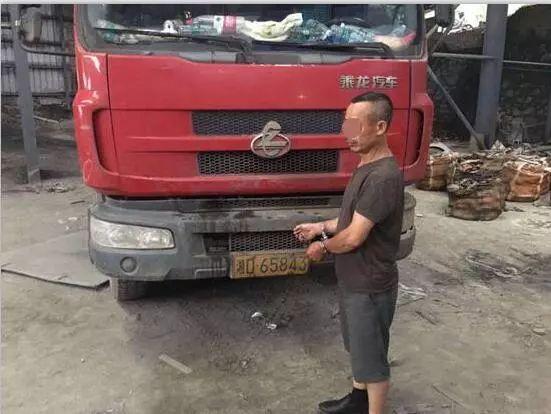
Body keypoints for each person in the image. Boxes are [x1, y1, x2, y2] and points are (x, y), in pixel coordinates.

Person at [294, 92, 403, 414]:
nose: (348, 133)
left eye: (356, 125)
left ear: (380, 127)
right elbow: (351, 220)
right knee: (358, 346)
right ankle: (358, 400)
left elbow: (354, 236)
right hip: (354, 279)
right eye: (346, 124)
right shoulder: (366, 165)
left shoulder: (382, 177)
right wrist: (320, 226)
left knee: (372, 359)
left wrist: (322, 246)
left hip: (370, 283)